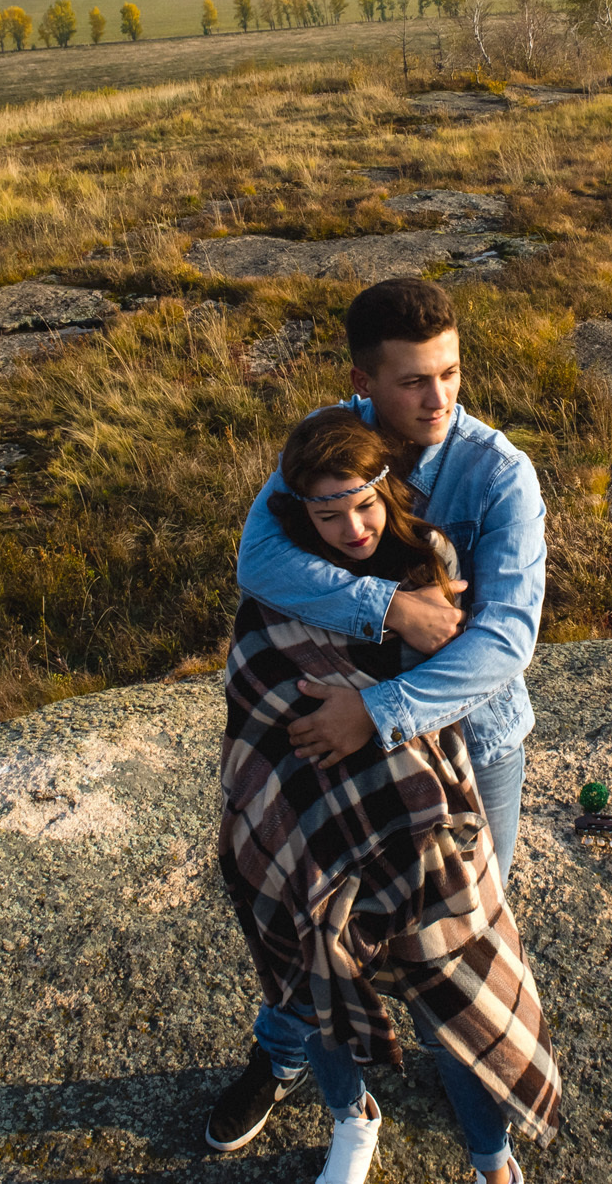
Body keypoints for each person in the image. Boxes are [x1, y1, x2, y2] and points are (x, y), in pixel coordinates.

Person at [207, 277, 549, 1162]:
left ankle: (484, 1126)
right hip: (338, 746)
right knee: (314, 912)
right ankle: (289, 1059)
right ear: (362, 379)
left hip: (473, 740)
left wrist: (380, 708)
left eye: (452, 373)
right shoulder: (331, 445)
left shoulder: (497, 473)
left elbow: (506, 641)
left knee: (453, 946)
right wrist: (392, 610)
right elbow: (260, 562)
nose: (439, 399)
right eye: (413, 381)